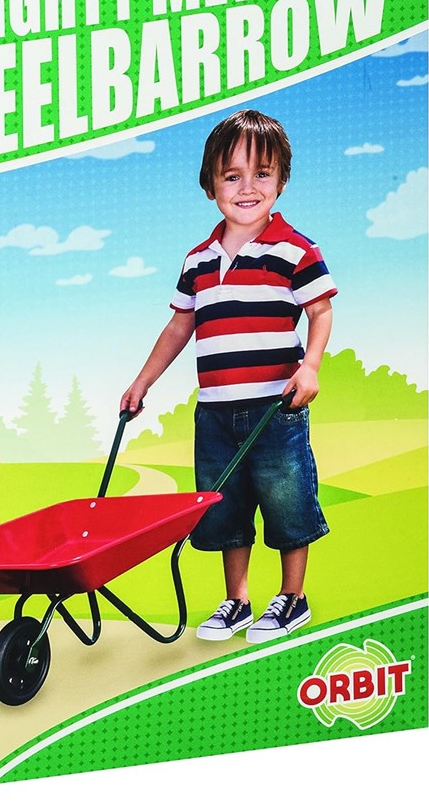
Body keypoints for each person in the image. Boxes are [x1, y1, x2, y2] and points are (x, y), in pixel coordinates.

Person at [120, 109, 336, 644]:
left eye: (261, 173)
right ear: (210, 184)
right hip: (215, 411)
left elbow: (320, 310)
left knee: (287, 501)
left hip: (275, 408)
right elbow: (180, 325)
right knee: (223, 506)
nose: (247, 188)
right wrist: (143, 382)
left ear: (281, 180)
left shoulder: (295, 250)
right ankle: (237, 600)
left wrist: (310, 366)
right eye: (232, 176)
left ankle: (292, 598)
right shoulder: (198, 260)